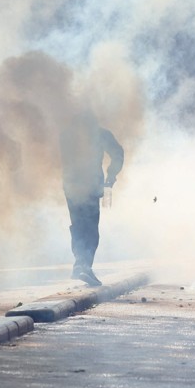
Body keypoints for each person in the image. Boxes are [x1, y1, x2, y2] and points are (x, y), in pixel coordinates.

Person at [59, 111, 124, 287]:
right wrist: (111, 177)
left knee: (79, 226)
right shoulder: (99, 133)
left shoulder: (66, 134)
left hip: (72, 186)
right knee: (89, 229)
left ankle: (80, 263)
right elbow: (118, 153)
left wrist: (110, 177)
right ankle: (84, 265)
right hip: (89, 186)